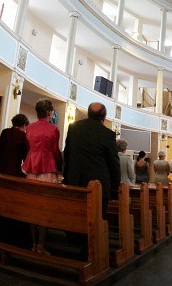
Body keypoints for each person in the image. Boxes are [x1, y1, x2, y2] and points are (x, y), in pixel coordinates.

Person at [63, 102, 119, 218]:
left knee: (75, 217)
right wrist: (114, 187)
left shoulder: (74, 128)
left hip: (75, 182)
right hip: (99, 185)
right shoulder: (108, 134)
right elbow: (113, 163)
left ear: (88, 114)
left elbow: (67, 153)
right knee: (96, 220)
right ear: (104, 117)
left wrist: (67, 176)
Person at [22, 99, 62, 254]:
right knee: (45, 207)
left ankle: (33, 243)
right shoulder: (53, 129)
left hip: (32, 168)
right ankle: (40, 244)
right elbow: (55, 152)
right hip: (47, 168)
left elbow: (28, 148)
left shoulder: (29, 128)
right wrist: (59, 165)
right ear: (49, 112)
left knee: (32, 205)